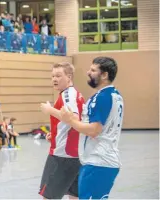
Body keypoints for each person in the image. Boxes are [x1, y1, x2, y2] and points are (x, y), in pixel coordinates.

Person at [60, 57, 124, 199]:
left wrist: (70, 120)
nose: (88, 72)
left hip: (97, 161)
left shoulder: (102, 97)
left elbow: (94, 130)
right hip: (105, 161)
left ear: (104, 75)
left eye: (93, 70)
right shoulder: (115, 95)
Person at [38, 62, 85, 199]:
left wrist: (50, 110)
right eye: (52, 76)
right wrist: (56, 135)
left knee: (49, 197)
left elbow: (74, 118)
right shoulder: (75, 94)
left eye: (58, 75)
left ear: (69, 77)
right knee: (74, 196)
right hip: (76, 155)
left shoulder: (67, 95)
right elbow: (73, 123)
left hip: (62, 156)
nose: (54, 79)